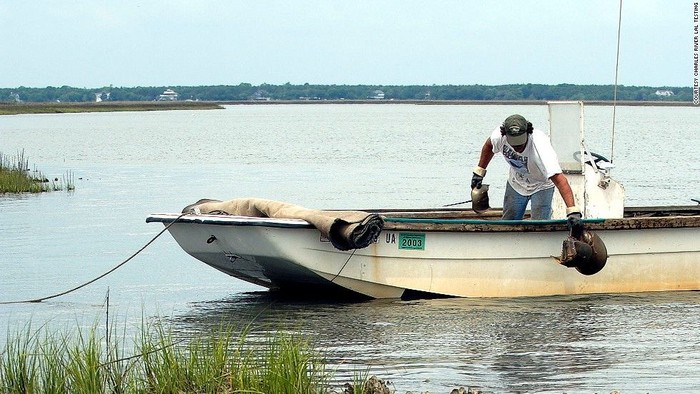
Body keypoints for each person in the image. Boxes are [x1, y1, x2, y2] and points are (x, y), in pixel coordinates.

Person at [471, 114, 582, 231]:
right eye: (513, 142)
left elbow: (560, 181)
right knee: (508, 224)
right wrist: (479, 172)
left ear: (528, 133)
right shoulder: (498, 136)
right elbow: (489, 146)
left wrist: (572, 211)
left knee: (540, 226)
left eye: (520, 142)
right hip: (517, 183)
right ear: (505, 135)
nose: (517, 146)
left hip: (542, 185)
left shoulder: (541, 147)